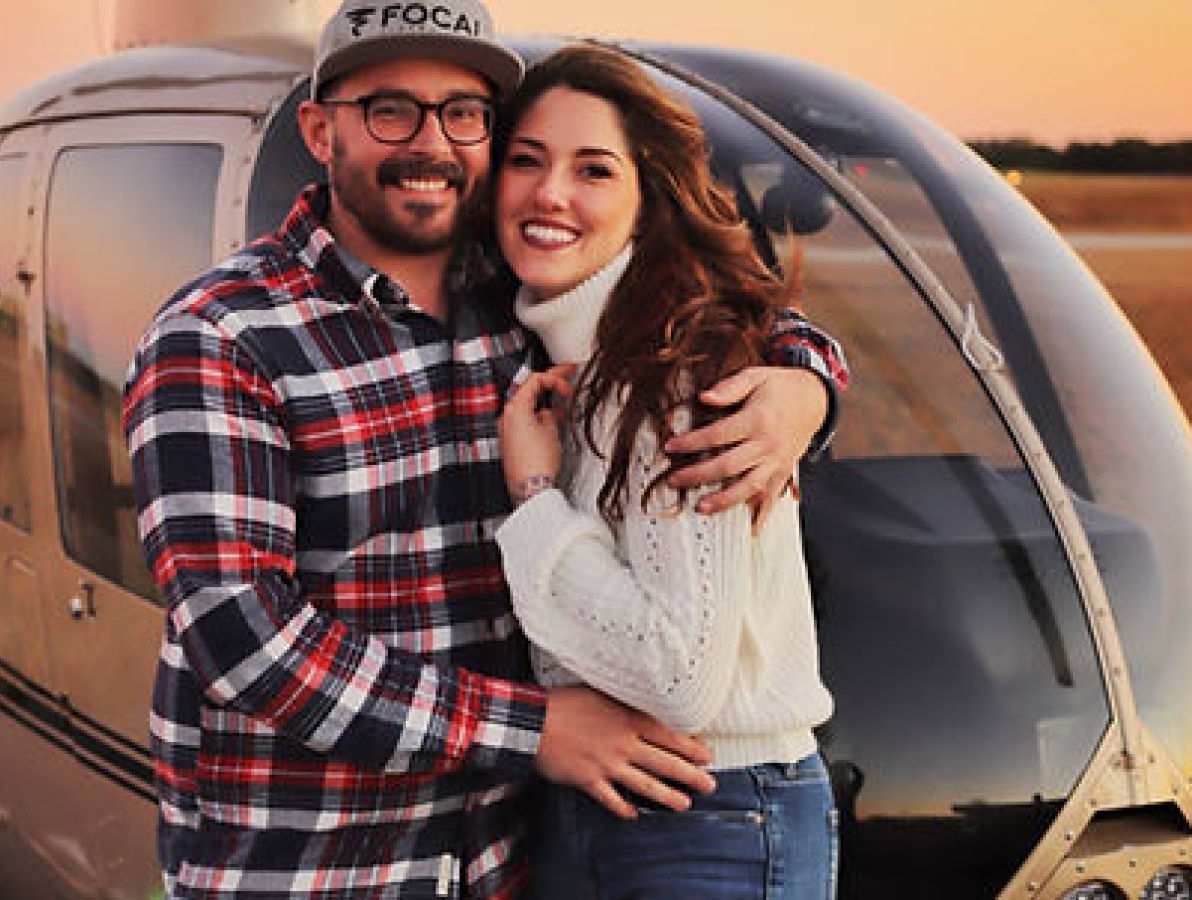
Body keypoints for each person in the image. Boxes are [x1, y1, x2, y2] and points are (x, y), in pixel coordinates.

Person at [122, 1, 846, 896]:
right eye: (390, 108)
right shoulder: (223, 336)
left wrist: (807, 384)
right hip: (314, 872)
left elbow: (710, 306)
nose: (430, 142)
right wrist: (533, 730)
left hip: (501, 865)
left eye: (463, 113)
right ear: (319, 129)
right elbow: (244, 637)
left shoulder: (513, 291)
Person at [494, 43, 838, 899]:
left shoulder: (677, 369)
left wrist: (534, 501)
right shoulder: (578, 352)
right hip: (606, 804)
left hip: (710, 811)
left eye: (594, 170)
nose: (551, 194)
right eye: (525, 161)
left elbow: (680, 678)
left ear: (650, 198)